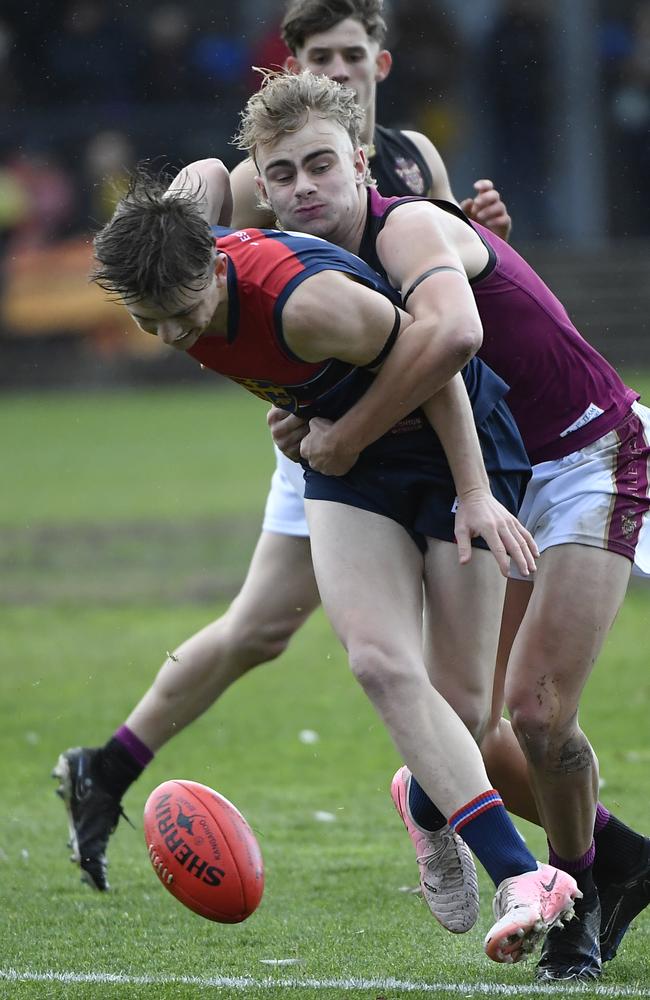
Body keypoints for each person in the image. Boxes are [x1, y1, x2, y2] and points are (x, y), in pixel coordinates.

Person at [53, 0, 514, 914]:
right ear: (288, 69)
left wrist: (480, 233)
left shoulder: (416, 158)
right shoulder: (253, 176)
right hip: (328, 421)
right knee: (271, 628)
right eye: (318, 56)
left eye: (353, 54)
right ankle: (104, 769)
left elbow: (436, 297)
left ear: (380, 64)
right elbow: (193, 267)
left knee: (453, 692)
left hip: (412, 406)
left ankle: (104, 767)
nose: (337, 70)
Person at [67, 159, 583, 968]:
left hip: (454, 447)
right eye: (146, 319)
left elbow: (436, 359)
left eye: (182, 313)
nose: (171, 335)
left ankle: (425, 798)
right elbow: (203, 176)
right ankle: (524, 877)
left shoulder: (308, 304)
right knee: (378, 662)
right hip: (345, 461)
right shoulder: (177, 264)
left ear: (213, 268)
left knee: (465, 716)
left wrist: (476, 491)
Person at [231, 69, 650, 981]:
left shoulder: (409, 227)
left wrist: (337, 433)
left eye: (322, 165)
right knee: (472, 724)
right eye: (285, 173)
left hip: (586, 456)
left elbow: (451, 337)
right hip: (495, 472)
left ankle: (577, 892)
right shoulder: (301, 270)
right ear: (261, 187)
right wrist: (303, 416)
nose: (306, 187)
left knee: (537, 715)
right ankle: (608, 857)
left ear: (362, 164)